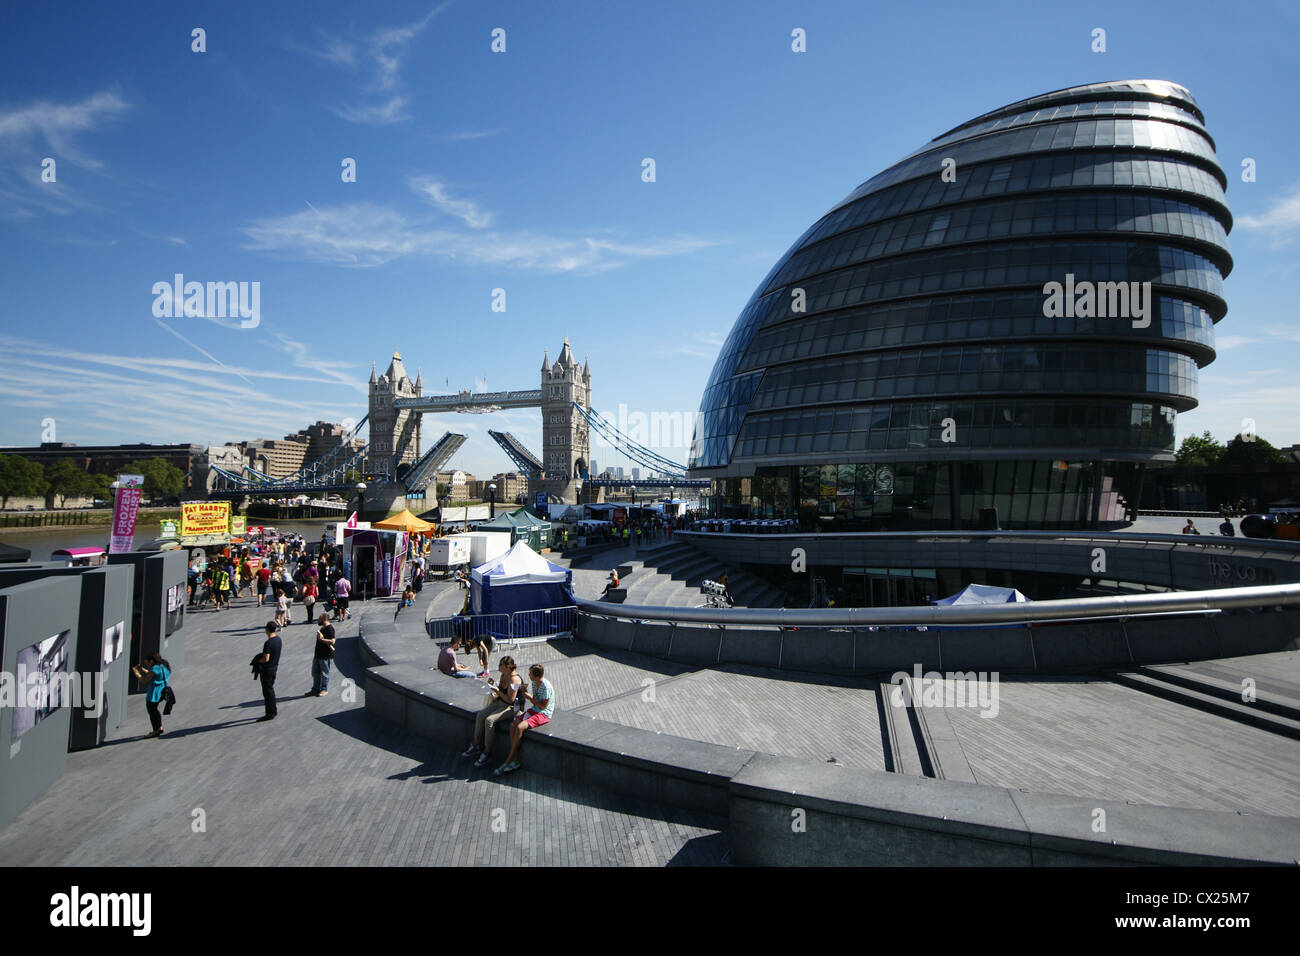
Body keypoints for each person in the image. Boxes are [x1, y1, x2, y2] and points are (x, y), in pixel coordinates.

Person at [462, 655, 522, 766]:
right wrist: (495, 690)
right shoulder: (504, 674)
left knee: (489, 720)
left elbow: (510, 699)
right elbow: (501, 691)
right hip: (501, 702)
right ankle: (475, 744)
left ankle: (487, 752)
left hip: (512, 707)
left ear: (507, 667)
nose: (498, 667)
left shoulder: (515, 679)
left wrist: (497, 691)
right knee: (480, 715)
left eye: (501, 665)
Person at [495, 664, 554, 776]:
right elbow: (535, 702)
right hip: (535, 709)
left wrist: (529, 697)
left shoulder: (546, 687)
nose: (528, 675)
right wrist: (525, 692)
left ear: (536, 676)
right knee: (513, 725)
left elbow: (543, 707)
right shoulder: (534, 683)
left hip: (543, 714)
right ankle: (515, 760)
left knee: (519, 727)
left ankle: (508, 760)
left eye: (530, 674)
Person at [131, 653, 172, 737]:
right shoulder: (163, 666)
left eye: (147, 663)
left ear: (151, 661)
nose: (147, 665)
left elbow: (144, 680)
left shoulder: (154, 669)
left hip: (154, 694)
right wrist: (142, 669)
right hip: (162, 691)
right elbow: (153, 674)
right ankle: (159, 727)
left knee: (152, 712)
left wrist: (136, 672)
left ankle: (156, 730)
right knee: (155, 711)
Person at [254, 621, 282, 720]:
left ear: (267, 630)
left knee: (267, 692)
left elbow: (266, 658)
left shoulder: (269, 643)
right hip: (274, 667)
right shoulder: (278, 640)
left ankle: (270, 713)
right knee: (270, 690)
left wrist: (258, 661)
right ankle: (273, 711)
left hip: (267, 669)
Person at [307, 612, 336, 696]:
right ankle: (316, 688)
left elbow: (333, 641)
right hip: (318, 654)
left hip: (325, 655)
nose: (318, 620)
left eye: (320, 619)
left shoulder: (330, 629)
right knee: (315, 672)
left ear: (324, 619)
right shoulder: (323, 628)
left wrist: (322, 639)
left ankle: (324, 689)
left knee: (324, 673)